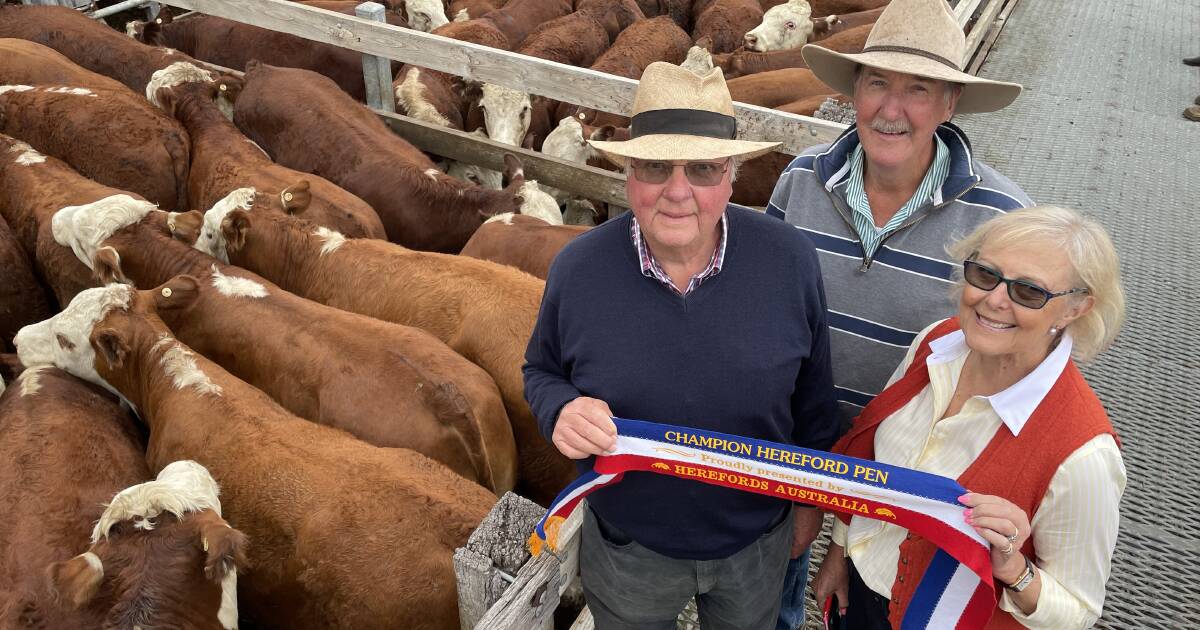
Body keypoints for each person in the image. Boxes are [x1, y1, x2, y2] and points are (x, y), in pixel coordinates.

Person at [523, 61, 838, 629]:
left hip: (756, 540)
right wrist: (561, 408)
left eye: (701, 168)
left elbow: (814, 403)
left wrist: (808, 506)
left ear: (732, 176)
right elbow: (541, 371)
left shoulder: (789, 261)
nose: (676, 191)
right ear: (627, 175)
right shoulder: (578, 270)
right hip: (628, 545)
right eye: (654, 166)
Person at [767, 2, 1032, 622]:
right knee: (773, 601)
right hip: (790, 453)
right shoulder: (800, 181)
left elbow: (1013, 380)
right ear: (853, 92)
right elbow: (765, 314)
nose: (892, 109)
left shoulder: (1002, 222)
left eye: (918, 90)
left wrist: (850, 533)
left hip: (908, 487)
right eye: (877, 83)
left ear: (950, 105)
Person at [812, 205, 1126, 629]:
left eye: (1029, 292)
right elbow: (875, 466)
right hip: (860, 593)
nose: (994, 299)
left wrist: (1014, 569)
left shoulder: (1082, 453)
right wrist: (839, 551)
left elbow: (1078, 613)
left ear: (1075, 309)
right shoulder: (936, 342)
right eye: (985, 273)